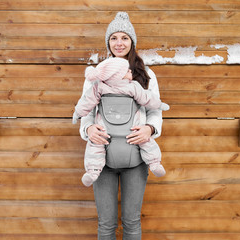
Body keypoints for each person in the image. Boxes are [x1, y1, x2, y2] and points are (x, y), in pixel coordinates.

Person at [79, 12, 164, 239]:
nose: (119, 43)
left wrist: (150, 129)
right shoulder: (98, 74)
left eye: (124, 38)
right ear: (108, 42)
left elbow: (155, 110)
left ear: (132, 42)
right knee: (106, 224)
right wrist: (88, 129)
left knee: (132, 222)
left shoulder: (146, 75)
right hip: (102, 157)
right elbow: (86, 110)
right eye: (114, 38)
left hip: (136, 157)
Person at [73, 57, 169, 187]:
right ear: (118, 75)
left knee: (141, 138)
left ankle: (93, 171)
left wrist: (77, 113)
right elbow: (147, 99)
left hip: (124, 131)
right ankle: (154, 163)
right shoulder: (123, 86)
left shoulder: (103, 87)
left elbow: (86, 102)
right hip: (116, 130)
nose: (131, 72)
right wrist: (159, 105)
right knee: (97, 142)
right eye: (127, 71)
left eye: (124, 38)